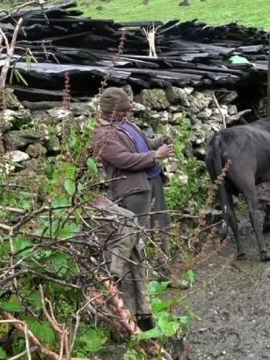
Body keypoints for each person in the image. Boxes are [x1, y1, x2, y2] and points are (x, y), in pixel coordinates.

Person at [92, 87, 175, 279]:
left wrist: (159, 142)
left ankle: (165, 273)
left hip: (153, 181)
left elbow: (143, 145)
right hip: (135, 189)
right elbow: (124, 159)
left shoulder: (126, 124)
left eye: (127, 110)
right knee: (137, 234)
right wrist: (156, 155)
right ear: (110, 111)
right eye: (123, 111)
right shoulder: (102, 135)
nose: (127, 114)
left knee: (161, 227)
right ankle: (139, 280)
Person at [92, 195, 155, 331]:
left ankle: (138, 328)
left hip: (126, 256)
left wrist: (115, 269)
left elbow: (130, 223)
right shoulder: (92, 212)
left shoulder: (102, 209)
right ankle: (131, 327)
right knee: (125, 295)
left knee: (132, 292)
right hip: (114, 255)